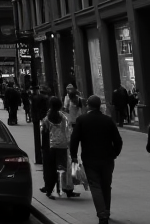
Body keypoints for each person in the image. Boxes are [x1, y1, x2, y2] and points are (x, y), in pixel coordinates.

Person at [70, 94, 124, 224]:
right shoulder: (108, 120)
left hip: (90, 159)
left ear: (88, 105)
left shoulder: (82, 120)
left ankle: (102, 214)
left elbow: (74, 140)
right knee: (106, 185)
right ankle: (106, 210)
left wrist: (73, 157)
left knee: (95, 186)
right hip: (107, 158)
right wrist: (115, 153)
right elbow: (118, 140)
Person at [40, 97, 76, 198]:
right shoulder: (63, 117)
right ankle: (66, 189)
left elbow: (44, 133)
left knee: (50, 169)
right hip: (62, 146)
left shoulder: (47, 119)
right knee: (62, 168)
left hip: (50, 147)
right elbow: (68, 131)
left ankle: (49, 190)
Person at [31, 86, 50, 165]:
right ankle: (45, 155)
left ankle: (38, 158)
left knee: (37, 138)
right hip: (44, 118)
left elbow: (32, 108)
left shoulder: (34, 98)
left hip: (36, 118)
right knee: (45, 138)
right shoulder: (47, 99)